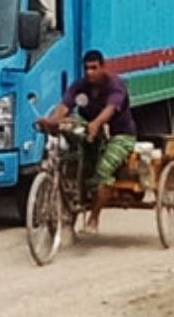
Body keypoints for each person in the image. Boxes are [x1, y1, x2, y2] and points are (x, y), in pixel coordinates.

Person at [34, 50, 138, 233]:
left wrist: (97, 124)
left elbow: (111, 108)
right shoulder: (80, 86)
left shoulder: (115, 85)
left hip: (120, 135)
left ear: (103, 67)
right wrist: (52, 121)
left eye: (94, 68)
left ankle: (93, 219)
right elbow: (64, 106)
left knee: (103, 171)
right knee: (70, 138)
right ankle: (73, 186)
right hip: (90, 128)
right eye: (86, 69)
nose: (90, 72)